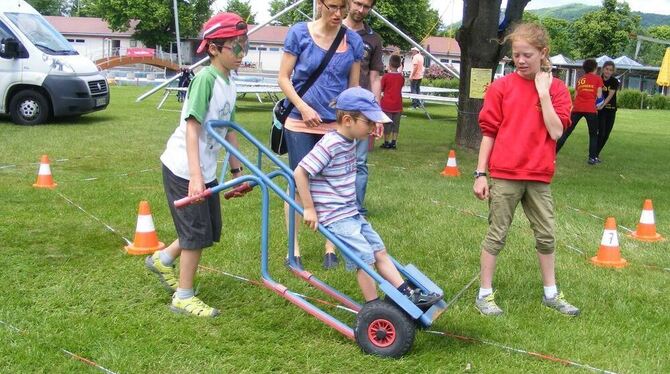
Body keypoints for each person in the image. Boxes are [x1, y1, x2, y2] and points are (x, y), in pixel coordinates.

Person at [294, 87, 442, 308]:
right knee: (364, 257)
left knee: (378, 249)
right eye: (369, 123)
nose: (373, 128)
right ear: (347, 120)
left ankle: (408, 294)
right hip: (335, 216)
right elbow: (300, 172)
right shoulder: (330, 144)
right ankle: (373, 307)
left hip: (350, 212)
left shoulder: (350, 141)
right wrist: (309, 208)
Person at [145, 13, 250, 317]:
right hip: (184, 167)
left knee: (208, 228)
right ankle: (183, 296)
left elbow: (229, 128)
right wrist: (195, 176)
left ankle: (162, 259)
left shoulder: (229, 80)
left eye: (244, 45)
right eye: (236, 47)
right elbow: (193, 128)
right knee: (196, 233)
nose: (242, 53)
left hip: (203, 168)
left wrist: (236, 171)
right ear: (215, 49)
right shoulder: (206, 79)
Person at [473, 22, 579, 317]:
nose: (520, 61)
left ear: (543, 53)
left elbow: (556, 131)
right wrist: (481, 174)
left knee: (547, 235)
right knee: (497, 234)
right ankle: (484, 295)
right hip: (505, 175)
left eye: (527, 55)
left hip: (538, 177)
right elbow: (489, 133)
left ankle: (551, 294)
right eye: (516, 55)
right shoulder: (501, 88)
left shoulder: (557, 90)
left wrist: (543, 94)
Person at [278, 0, 363, 269]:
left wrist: (352, 122)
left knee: (333, 185)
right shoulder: (299, 33)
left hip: (333, 126)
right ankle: (293, 251)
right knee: (299, 185)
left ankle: (330, 248)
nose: (338, 14)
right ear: (320, 4)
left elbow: (353, 88)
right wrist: (303, 108)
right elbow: (283, 77)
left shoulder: (353, 42)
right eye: (333, 7)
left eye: (343, 8)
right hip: (300, 122)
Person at [343, 0, 384, 221]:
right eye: (357, 3)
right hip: (333, 107)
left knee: (359, 162)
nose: (361, 10)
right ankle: (326, 205)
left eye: (366, 6)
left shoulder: (373, 38)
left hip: (362, 109)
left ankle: (356, 210)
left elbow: (375, 78)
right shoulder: (334, 29)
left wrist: (376, 114)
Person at [555, 58, 603, 164]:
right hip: (590, 109)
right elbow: (599, 96)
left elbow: (576, 95)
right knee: (593, 134)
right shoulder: (598, 79)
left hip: (577, 108)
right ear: (595, 68)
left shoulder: (580, 79)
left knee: (566, 132)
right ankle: (592, 158)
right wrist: (600, 105)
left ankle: (552, 153)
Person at [595, 61, 619, 162]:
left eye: (610, 70)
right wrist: (598, 106)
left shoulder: (614, 81)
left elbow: (610, 95)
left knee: (606, 134)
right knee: (601, 132)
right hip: (601, 111)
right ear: (603, 69)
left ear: (613, 71)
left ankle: (596, 153)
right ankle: (594, 154)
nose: (608, 71)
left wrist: (602, 105)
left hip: (611, 110)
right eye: (606, 69)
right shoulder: (598, 79)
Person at [380, 54, 404, 149]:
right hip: (397, 104)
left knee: (387, 124)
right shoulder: (401, 77)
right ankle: (394, 142)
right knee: (396, 124)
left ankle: (386, 142)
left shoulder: (386, 76)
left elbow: (382, 88)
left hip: (387, 104)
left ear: (389, 64)